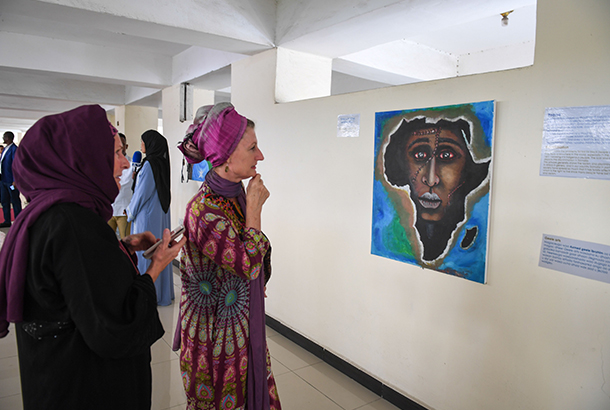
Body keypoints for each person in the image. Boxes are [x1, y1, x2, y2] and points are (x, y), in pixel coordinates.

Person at [0, 104, 186, 409]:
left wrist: (121, 247)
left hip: (55, 378)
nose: (126, 164)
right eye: (116, 153)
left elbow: (75, 281)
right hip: (84, 386)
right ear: (82, 159)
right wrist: (156, 266)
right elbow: (116, 324)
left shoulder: (50, 214)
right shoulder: (74, 224)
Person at [176, 103, 281, 409]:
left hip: (238, 328)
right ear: (226, 156)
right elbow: (248, 264)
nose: (260, 156)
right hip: (214, 341)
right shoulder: (203, 209)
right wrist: (255, 211)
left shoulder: (232, 195)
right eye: (252, 148)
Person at [384, 117, 490, 261]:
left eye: (447, 155)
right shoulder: (388, 238)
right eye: (419, 155)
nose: (431, 179)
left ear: (468, 167)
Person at [126, 130, 174, 306]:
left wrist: (130, 212)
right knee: (159, 252)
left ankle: (148, 295)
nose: (141, 145)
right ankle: (161, 294)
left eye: (142, 141)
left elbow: (141, 194)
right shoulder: (162, 163)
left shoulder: (149, 165)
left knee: (146, 254)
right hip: (159, 215)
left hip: (146, 216)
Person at [108, 133, 133, 238]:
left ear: (126, 146)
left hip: (124, 210)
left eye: (121, 145)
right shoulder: (108, 163)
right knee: (106, 240)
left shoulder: (131, 164)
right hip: (109, 209)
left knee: (125, 242)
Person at [0, 131, 23, 227]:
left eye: (4, 137)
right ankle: (7, 220)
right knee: (4, 201)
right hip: (3, 180)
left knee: (15, 200)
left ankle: (18, 221)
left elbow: (16, 166)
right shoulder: (5, 149)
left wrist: (15, 180)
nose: (3, 138)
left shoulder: (14, 149)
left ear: (8, 138)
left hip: (11, 182)